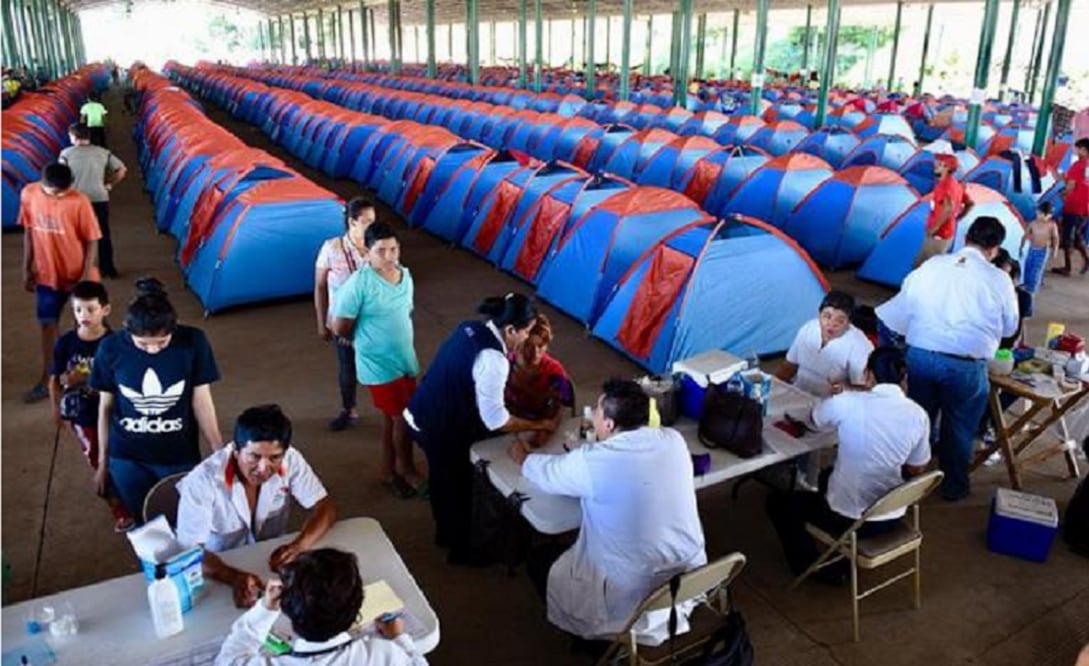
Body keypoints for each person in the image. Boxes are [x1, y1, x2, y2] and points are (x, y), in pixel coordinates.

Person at [508, 379, 707, 645]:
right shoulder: (673, 440)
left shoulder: (593, 462)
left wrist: (522, 456)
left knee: (540, 560)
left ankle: (597, 645)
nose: (594, 417)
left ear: (610, 424)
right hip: (689, 578)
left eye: (598, 412)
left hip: (633, 594)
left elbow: (547, 474)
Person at [404, 294, 562, 566]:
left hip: (422, 410)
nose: (526, 339)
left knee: (444, 481)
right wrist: (540, 424)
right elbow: (496, 420)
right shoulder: (493, 359)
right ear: (511, 329)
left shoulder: (470, 328)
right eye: (525, 332)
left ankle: (446, 534)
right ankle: (462, 551)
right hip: (438, 425)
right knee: (457, 486)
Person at [877, 217, 1019, 501]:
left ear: (965, 238)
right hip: (964, 365)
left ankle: (907, 481)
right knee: (960, 427)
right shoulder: (998, 279)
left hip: (921, 356)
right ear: (994, 249)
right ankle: (953, 487)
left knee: (919, 419)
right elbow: (1010, 327)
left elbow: (902, 309)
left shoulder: (933, 265)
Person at [766, 348, 931, 584]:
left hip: (854, 519)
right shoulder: (918, 415)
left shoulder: (847, 402)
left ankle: (817, 570)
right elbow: (917, 469)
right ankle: (836, 545)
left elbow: (815, 419)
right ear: (904, 379)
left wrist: (846, 395)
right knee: (826, 476)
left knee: (779, 503)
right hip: (893, 512)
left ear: (867, 375)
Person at [176, 404, 337, 609]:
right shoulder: (202, 481)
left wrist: (299, 546)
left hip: (270, 564)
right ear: (236, 451)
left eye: (274, 458)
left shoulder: (291, 460)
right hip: (216, 571)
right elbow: (189, 553)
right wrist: (232, 577)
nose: (263, 468)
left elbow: (325, 508)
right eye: (254, 456)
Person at [90, 278, 224, 520]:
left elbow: (202, 401)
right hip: (127, 457)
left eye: (162, 343)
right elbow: (105, 407)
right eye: (143, 344)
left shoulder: (193, 342)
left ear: (175, 327)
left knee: (184, 520)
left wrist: (218, 450)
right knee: (143, 522)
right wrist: (103, 463)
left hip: (178, 456)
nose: (153, 350)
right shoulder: (110, 348)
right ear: (126, 329)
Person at [332, 222, 423, 499]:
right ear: (367, 253)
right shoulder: (359, 283)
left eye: (394, 249)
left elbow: (404, 312)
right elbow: (340, 327)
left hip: (404, 358)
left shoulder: (405, 276)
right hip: (378, 363)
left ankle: (388, 471)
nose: (389, 256)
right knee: (402, 418)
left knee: (392, 419)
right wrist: (359, 339)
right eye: (381, 250)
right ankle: (406, 470)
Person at [217, 548, 428, 665]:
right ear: (356, 611)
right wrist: (400, 639)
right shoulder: (384, 654)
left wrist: (266, 608)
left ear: (288, 609)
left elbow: (229, 658)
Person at [47, 281, 134, 532]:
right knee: (98, 459)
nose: (83, 316)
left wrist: (83, 378)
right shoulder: (65, 343)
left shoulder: (117, 342)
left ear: (105, 310)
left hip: (117, 412)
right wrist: (56, 410)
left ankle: (131, 496)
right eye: (77, 310)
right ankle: (120, 510)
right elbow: (55, 379)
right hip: (82, 416)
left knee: (122, 456)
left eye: (90, 309)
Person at [19, 162, 102, 403]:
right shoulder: (29, 194)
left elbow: (92, 239)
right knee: (47, 325)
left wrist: (86, 275)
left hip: (78, 274)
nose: (62, 196)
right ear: (44, 186)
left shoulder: (79, 201)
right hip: (46, 274)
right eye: (57, 193)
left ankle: (91, 377)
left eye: (66, 191)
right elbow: (29, 231)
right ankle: (49, 379)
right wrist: (27, 267)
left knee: (89, 327)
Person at [315, 197, 374, 432]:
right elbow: (320, 286)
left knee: (382, 365)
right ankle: (348, 409)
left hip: (373, 321)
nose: (372, 225)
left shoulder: (377, 248)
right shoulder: (332, 248)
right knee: (347, 367)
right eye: (367, 221)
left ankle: (394, 408)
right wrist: (321, 323)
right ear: (352, 222)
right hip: (343, 323)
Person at [59, 123, 127, 279]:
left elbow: (61, 175)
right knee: (103, 234)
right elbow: (122, 170)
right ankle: (108, 268)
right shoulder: (103, 152)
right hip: (100, 198)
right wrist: (109, 185)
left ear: (74, 137)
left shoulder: (66, 154)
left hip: (75, 200)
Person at [776, 291, 874, 398]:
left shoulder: (859, 345)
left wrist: (845, 388)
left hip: (833, 403)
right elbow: (789, 366)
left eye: (840, 320)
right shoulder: (809, 328)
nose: (831, 324)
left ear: (849, 322)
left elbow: (866, 389)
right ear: (819, 314)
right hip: (800, 393)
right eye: (827, 316)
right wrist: (773, 387)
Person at [504, 314, 573, 448]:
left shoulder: (554, 371)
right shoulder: (504, 363)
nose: (536, 354)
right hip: (507, 424)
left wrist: (544, 431)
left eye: (541, 346)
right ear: (519, 343)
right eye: (529, 346)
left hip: (537, 426)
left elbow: (563, 406)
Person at [913, 153, 974, 267]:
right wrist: (956, 219)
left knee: (922, 268)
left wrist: (933, 229)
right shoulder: (955, 184)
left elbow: (948, 208)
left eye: (939, 163)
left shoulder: (945, 186)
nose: (934, 164)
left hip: (938, 235)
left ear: (947, 167)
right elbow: (970, 204)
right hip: (947, 234)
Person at [1053, 138, 1089, 276]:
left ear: (1084, 150)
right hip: (1085, 205)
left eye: (1078, 148)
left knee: (1068, 236)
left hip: (1074, 205)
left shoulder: (1078, 165)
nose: (1076, 151)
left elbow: (1070, 186)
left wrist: (1061, 195)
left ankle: (1067, 267)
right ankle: (1086, 259)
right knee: (1078, 234)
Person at [992, 249, 1033, 348]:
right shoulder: (989, 294)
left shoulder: (1024, 297)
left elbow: (1022, 325)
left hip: (1007, 346)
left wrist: (1021, 344)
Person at [1018, 201, 1060, 294]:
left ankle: (1032, 288)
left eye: (1041, 214)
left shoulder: (1051, 225)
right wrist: (1021, 246)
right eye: (1038, 213)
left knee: (1037, 269)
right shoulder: (1033, 223)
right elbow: (1025, 235)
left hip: (1043, 250)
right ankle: (1026, 283)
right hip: (1032, 249)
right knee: (1028, 267)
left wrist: (1055, 249)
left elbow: (1055, 238)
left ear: (1048, 215)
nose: (1038, 215)